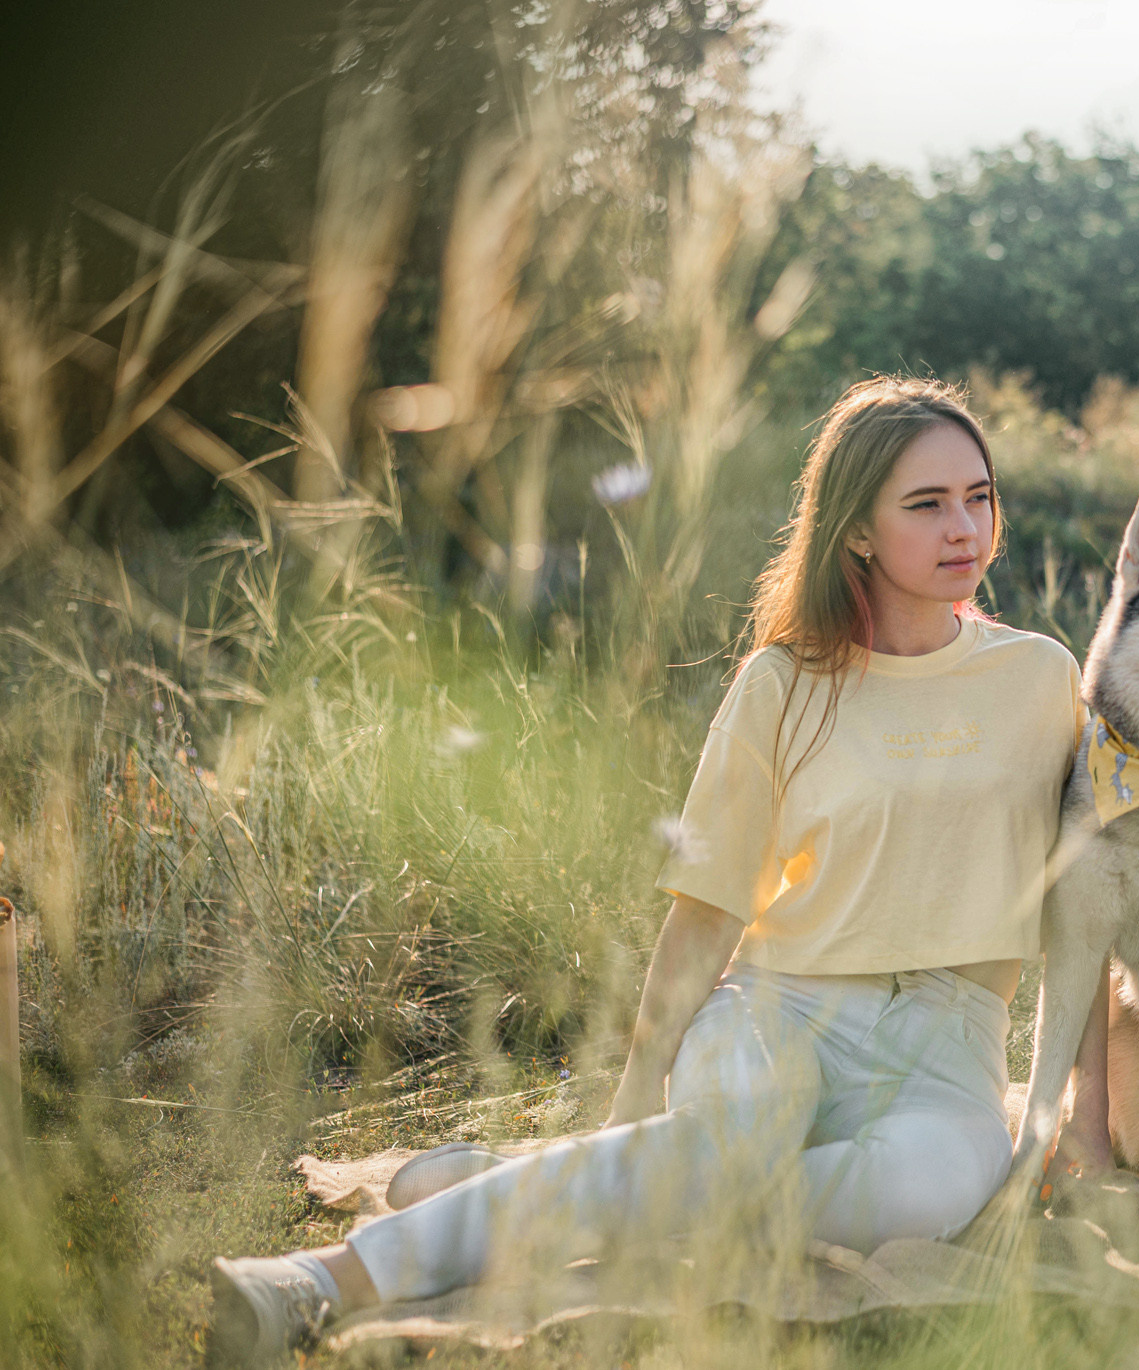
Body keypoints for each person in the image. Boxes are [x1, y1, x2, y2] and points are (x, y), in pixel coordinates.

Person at [206, 377, 1088, 1365]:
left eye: (979, 495)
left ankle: (549, 1179)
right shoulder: (784, 683)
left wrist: (1072, 1116)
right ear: (858, 534)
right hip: (778, 1008)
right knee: (728, 1145)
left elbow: (1099, 897)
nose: (965, 526)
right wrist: (635, 1094)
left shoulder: (1044, 678)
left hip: (948, 1048)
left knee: (914, 1202)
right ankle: (324, 1280)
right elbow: (709, 908)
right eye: (926, 504)